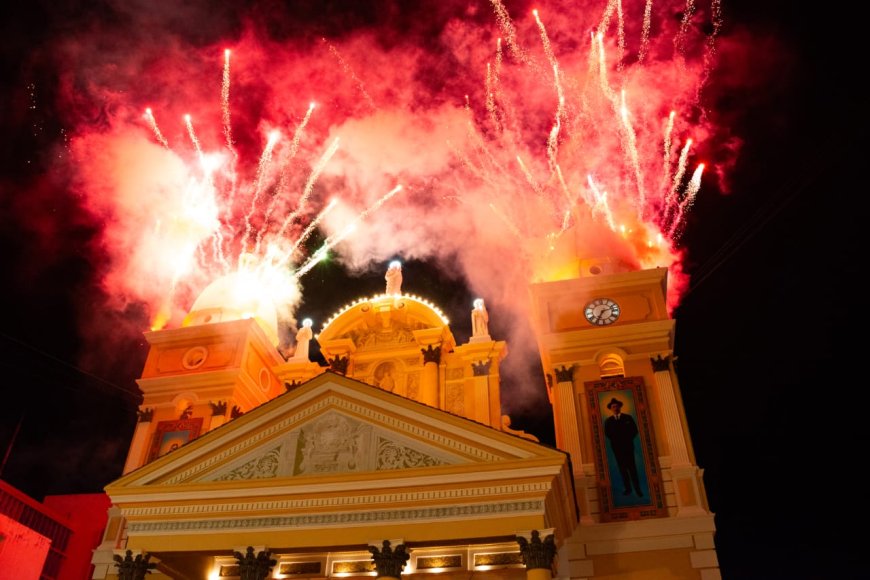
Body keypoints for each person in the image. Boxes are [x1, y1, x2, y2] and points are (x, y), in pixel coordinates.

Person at [603, 397, 643, 497]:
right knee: (623, 469)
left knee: (632, 468)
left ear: (620, 407)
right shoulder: (609, 421)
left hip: (628, 447)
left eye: (617, 406)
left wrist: (626, 439)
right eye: (613, 407)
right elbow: (608, 433)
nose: (615, 408)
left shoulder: (628, 418)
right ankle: (628, 489)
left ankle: (638, 490)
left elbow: (634, 430)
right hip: (617, 449)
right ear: (611, 409)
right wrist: (617, 440)